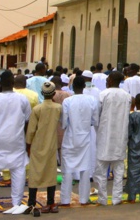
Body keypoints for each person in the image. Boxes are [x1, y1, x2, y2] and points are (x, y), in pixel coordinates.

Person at [0, 71, 32, 211]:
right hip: (16, 139)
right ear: (13, 84)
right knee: (18, 171)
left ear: (0, 84)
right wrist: (26, 142)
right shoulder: (22, 99)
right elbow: (28, 121)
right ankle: (17, 203)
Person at [59, 74, 98, 207]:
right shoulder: (92, 100)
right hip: (85, 138)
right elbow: (95, 120)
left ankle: (65, 200)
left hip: (70, 137)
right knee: (85, 170)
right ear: (84, 87)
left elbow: (64, 123)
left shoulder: (68, 101)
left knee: (68, 169)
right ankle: (84, 199)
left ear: (73, 86)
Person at [95, 71, 132, 206]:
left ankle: (102, 198)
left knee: (101, 171)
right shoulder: (127, 96)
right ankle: (117, 198)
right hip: (120, 136)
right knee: (119, 170)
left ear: (110, 80)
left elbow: (96, 116)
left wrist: (97, 129)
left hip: (104, 136)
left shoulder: (103, 95)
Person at [25, 81, 61, 217]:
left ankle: (31, 202)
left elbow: (31, 130)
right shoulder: (58, 108)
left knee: (35, 171)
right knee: (50, 171)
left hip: (37, 144)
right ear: (53, 94)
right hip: (51, 144)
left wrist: (28, 145)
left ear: (42, 94)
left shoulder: (37, 109)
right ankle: (50, 202)